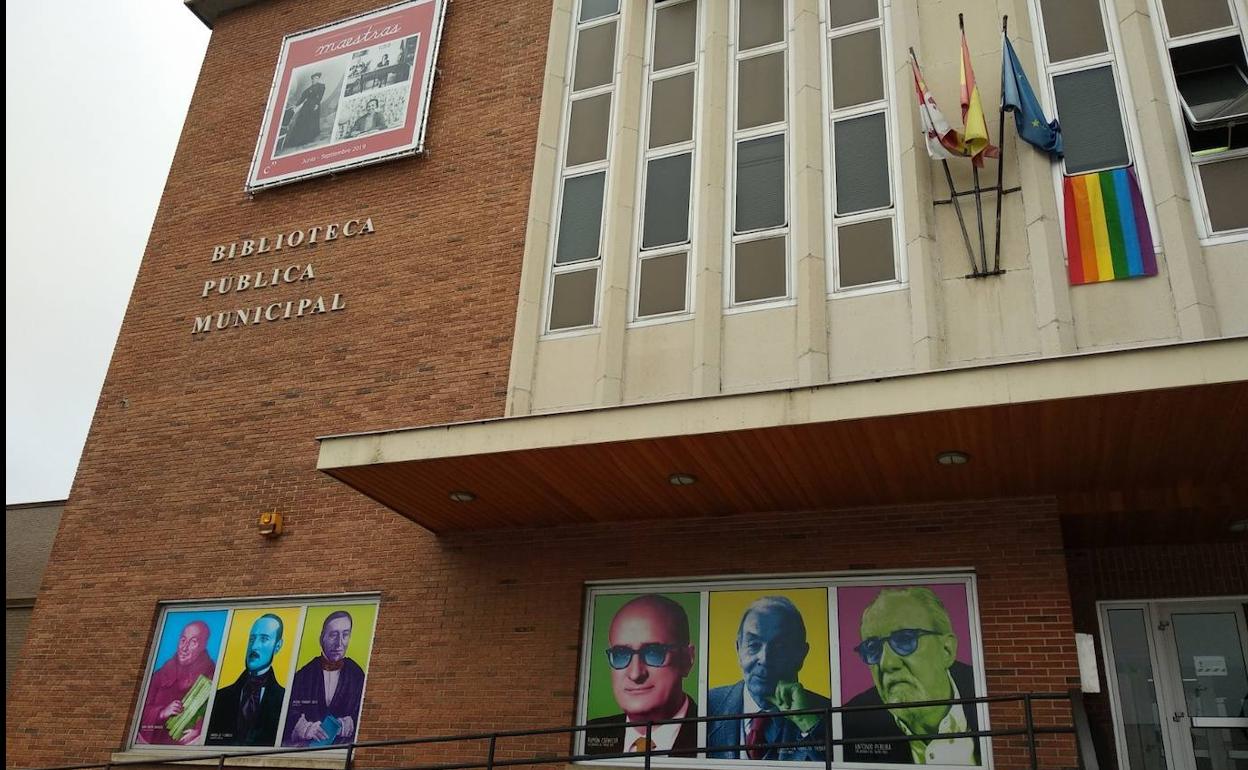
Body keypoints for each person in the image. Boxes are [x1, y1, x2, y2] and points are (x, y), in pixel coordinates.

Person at [842, 588, 980, 765]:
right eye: (871, 648)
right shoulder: (850, 721)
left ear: (947, 650)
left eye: (905, 639)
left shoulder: (986, 695)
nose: (887, 664)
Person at [707, 597, 828, 761]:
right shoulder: (707, 705)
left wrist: (806, 721)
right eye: (753, 644)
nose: (764, 658)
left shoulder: (827, 715)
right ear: (738, 649)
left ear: (801, 655)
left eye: (780, 647)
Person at [585, 595, 697, 757]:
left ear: (687, 659)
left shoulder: (717, 736)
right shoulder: (589, 735)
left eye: (653, 652)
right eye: (621, 654)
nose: (636, 673)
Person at [283, 611, 367, 747]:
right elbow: (288, 711)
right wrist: (304, 728)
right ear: (322, 638)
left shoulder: (357, 674)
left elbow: (365, 712)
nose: (339, 643)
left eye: (345, 635)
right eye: (333, 635)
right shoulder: (303, 675)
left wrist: (348, 724)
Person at [206, 614, 286, 746]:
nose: (254, 646)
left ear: (277, 646)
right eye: (252, 639)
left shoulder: (284, 699)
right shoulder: (220, 697)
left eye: (264, 639)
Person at [137, 620, 217, 745]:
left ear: (203, 645)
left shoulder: (212, 676)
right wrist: (162, 712)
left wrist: (200, 732)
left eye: (193, 642)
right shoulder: (162, 673)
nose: (184, 648)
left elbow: (219, 713)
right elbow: (140, 710)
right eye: (183, 640)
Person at [286, 72, 325, 148]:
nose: (315, 79)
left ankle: (309, 137)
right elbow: (302, 98)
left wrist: (316, 104)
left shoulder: (321, 86)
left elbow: (320, 96)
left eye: (317, 78)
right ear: (312, 79)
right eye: (314, 78)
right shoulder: (308, 89)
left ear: (319, 79)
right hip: (307, 106)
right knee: (302, 120)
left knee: (311, 121)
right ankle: (299, 140)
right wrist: (296, 105)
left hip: (314, 105)